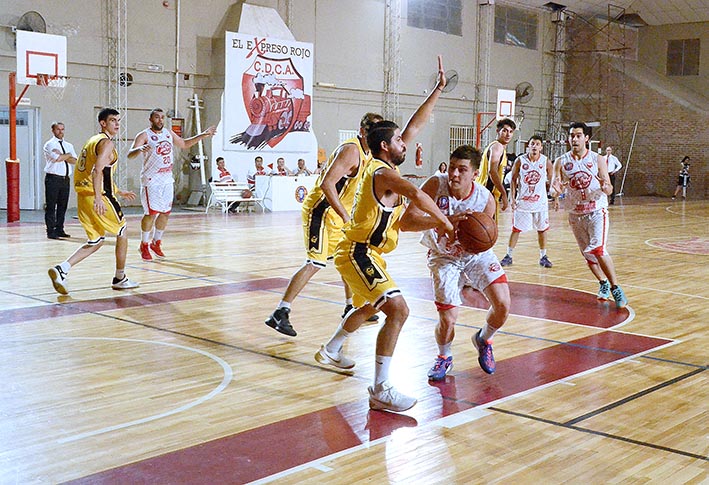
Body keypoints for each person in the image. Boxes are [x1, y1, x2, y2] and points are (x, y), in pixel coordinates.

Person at [314, 56, 454, 413]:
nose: (406, 144)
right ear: (384, 147)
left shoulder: (386, 162)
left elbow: (414, 128)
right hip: (358, 252)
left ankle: (332, 348)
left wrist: (438, 90)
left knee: (366, 306)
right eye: (399, 142)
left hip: (368, 253)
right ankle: (381, 390)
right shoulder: (383, 173)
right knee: (398, 310)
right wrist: (448, 222)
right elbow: (420, 195)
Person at [264, 112, 384, 337]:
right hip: (320, 211)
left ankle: (351, 306)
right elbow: (328, 184)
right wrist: (347, 217)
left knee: (347, 258)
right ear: (362, 132)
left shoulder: (370, 153)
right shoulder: (352, 150)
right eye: (372, 133)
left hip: (337, 215)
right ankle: (280, 311)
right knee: (315, 262)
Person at [400, 145, 510, 380]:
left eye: (462, 170)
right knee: (448, 318)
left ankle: (484, 338)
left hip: (475, 256)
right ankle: (444, 356)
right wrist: (442, 221)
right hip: (443, 256)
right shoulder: (435, 185)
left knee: (503, 304)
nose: (454, 174)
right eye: (452, 168)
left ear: (475, 173)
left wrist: (473, 238)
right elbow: (406, 222)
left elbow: (487, 238)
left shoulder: (484, 199)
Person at [48, 108, 139, 295]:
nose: (117, 124)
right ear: (103, 123)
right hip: (98, 197)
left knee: (96, 240)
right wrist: (99, 197)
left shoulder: (92, 141)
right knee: (122, 231)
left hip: (83, 197)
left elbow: (99, 172)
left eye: (118, 120)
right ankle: (120, 277)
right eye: (112, 120)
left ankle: (62, 269)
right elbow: (97, 171)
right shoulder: (106, 143)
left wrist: (118, 190)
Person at [550, 122, 628, 308]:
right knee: (588, 255)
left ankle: (616, 288)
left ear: (586, 138)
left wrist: (605, 186)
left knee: (599, 249)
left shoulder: (598, 159)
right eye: (571, 136)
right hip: (575, 213)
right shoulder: (561, 161)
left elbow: (608, 189)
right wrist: (556, 190)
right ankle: (603, 282)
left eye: (578, 135)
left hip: (596, 211)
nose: (574, 139)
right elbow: (553, 188)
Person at [128, 108, 216, 262]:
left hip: (167, 179)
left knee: (165, 213)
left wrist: (203, 135)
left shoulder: (168, 133)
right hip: (151, 179)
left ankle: (157, 242)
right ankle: (144, 244)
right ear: (151, 119)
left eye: (162, 117)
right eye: (157, 117)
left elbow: (184, 144)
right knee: (151, 213)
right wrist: (139, 148)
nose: (160, 120)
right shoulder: (144, 135)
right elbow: (130, 154)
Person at [500, 135, 554, 268]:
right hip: (523, 202)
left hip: (540, 202)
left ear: (541, 147)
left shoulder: (545, 161)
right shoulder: (520, 160)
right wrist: (512, 198)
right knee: (516, 229)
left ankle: (543, 256)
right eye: (532, 144)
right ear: (528, 146)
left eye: (537, 144)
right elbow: (512, 180)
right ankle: (508, 255)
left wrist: (555, 197)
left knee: (542, 230)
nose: (534, 146)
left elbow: (552, 181)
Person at [475, 118, 516, 222]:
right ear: (498, 131)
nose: (508, 134)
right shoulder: (497, 147)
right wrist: (504, 194)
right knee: (487, 232)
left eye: (511, 132)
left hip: (484, 193)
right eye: (505, 130)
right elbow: (492, 171)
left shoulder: (496, 147)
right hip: (487, 194)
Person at [43, 122, 78, 239]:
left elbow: (75, 161)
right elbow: (57, 158)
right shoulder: (49, 144)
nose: (61, 132)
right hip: (53, 178)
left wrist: (65, 155)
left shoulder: (69, 145)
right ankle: (50, 230)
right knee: (51, 205)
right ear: (53, 130)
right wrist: (67, 155)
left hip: (65, 179)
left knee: (63, 205)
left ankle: (60, 229)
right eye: (58, 129)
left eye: (62, 129)